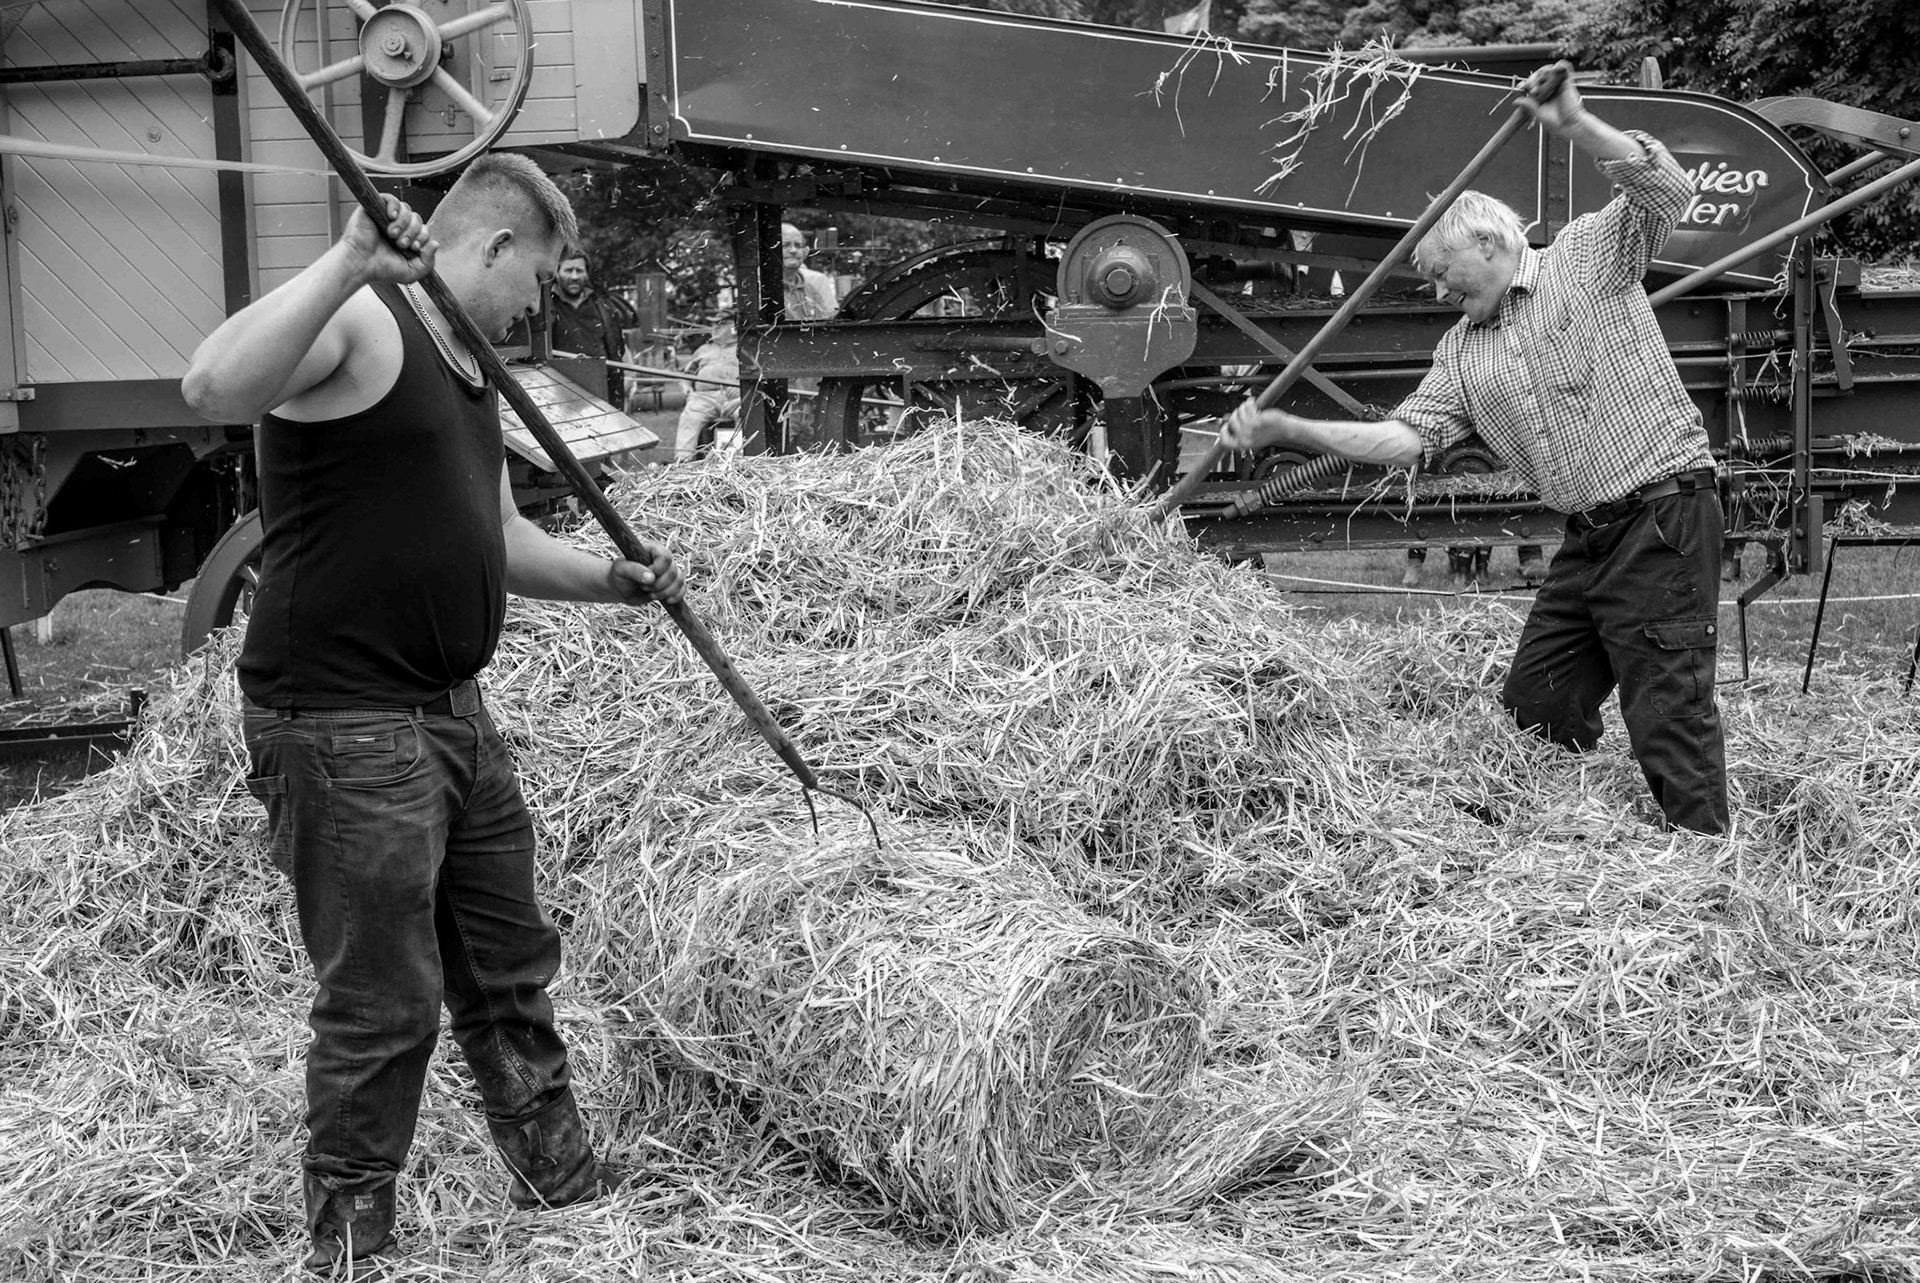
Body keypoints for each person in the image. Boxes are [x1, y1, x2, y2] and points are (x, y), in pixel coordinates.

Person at [181, 154, 683, 1271]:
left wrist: (611, 578)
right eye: (537, 282)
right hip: (346, 723)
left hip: (451, 714)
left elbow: (497, 538)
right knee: (381, 1004)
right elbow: (211, 386)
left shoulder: (471, 366)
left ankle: (562, 1187)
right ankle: (350, 1243)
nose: (534, 308)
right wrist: (350, 256)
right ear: (495, 246)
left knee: (508, 967)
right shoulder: (364, 320)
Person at [1221, 63, 1728, 835]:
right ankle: (1580, 837)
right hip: (1589, 538)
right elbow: (1403, 437)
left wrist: (1575, 123)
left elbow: (1666, 192)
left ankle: (1705, 870)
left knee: (1668, 712)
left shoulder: (1585, 259)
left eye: (1437, 272)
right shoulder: (1461, 352)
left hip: (1663, 515)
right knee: (1538, 703)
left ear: (1487, 241)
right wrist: (1288, 430)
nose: (1432, 290)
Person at [549, 245, 634, 403]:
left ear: (587, 274)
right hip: (560, 393)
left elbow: (618, 348)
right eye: (568, 270)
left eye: (579, 270)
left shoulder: (603, 307)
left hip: (602, 392)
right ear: (557, 273)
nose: (574, 277)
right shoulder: (545, 307)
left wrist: (628, 376)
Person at [673, 309, 741, 461]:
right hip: (704, 398)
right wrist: (686, 387)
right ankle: (682, 461)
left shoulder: (745, 347)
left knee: (746, 414)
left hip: (736, 399)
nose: (715, 327)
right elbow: (687, 374)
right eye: (713, 324)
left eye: (721, 324)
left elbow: (758, 375)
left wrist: (744, 392)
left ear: (734, 327)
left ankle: (739, 460)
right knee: (689, 416)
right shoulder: (703, 350)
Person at [780, 222, 838, 321]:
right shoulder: (761, 290)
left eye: (798, 245)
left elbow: (827, 322)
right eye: (785, 245)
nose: (793, 250)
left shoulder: (811, 290)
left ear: (805, 252)